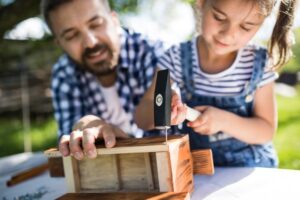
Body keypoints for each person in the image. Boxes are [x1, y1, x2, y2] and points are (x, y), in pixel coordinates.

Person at [135, 0, 296, 167]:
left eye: (246, 27)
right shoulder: (175, 58)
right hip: (199, 169)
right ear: (201, 3)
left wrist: (224, 121)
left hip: (249, 167)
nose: (228, 34)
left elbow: (266, 131)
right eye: (219, 17)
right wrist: (162, 109)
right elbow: (141, 117)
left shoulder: (259, 63)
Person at [40, 0, 166, 160]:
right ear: (60, 44)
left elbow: (173, 136)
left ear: (114, 19)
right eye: (72, 35)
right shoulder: (64, 74)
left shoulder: (155, 55)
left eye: (96, 24)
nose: (90, 42)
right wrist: (82, 128)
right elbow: (69, 151)